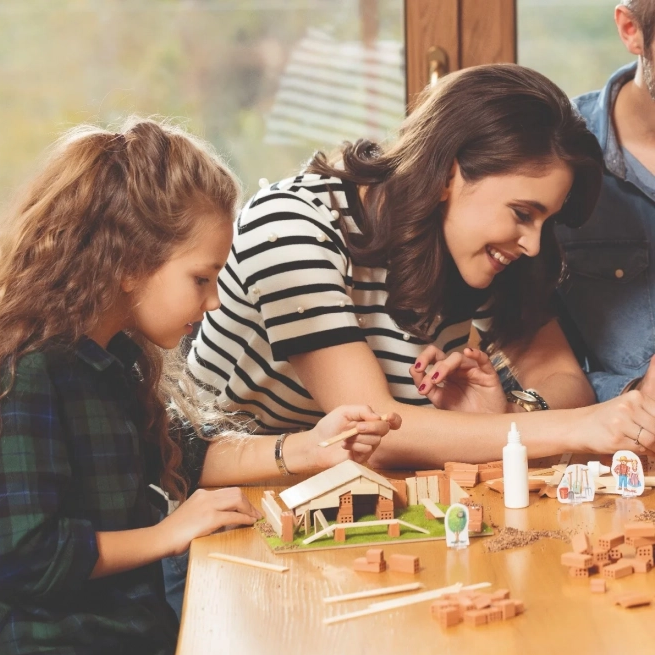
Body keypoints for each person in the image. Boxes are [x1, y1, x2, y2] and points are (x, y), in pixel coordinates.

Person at [0, 117, 399, 655]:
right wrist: (168, 533)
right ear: (129, 265)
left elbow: (185, 453)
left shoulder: (116, 356)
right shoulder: (30, 370)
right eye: (201, 279)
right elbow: (27, 558)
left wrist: (312, 446)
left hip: (140, 635)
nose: (213, 303)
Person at [189, 62, 655, 468]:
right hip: (221, 509)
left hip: (344, 502)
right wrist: (578, 428)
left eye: (545, 221)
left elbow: (564, 380)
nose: (533, 245)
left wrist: (510, 413)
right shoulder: (293, 226)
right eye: (522, 214)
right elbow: (373, 435)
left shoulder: (473, 250)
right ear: (448, 174)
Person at [556, 0, 655, 403]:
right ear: (631, 30)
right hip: (607, 456)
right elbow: (523, 365)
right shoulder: (557, 158)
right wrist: (635, 395)